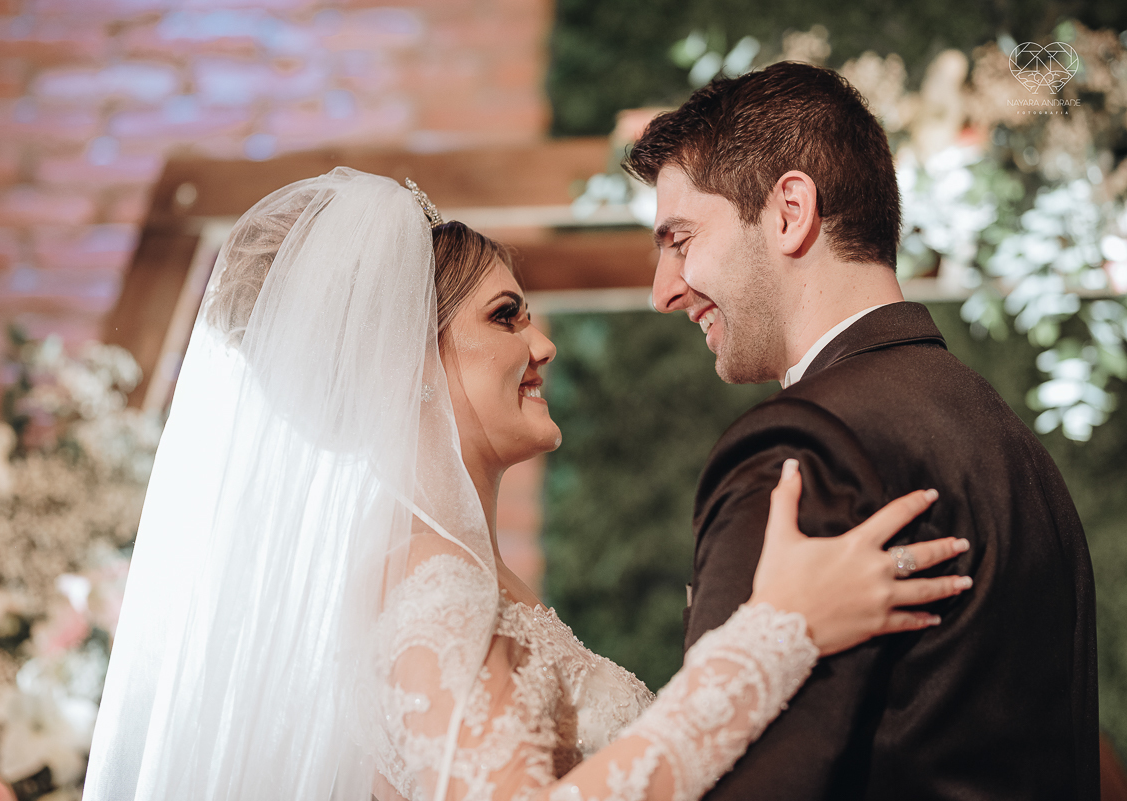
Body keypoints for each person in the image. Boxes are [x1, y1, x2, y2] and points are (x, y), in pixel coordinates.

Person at [83, 167, 970, 801]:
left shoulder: (449, 567)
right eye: (505, 317)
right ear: (404, 362)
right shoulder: (426, 576)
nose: (541, 345)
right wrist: (777, 636)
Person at [624, 61, 1099, 799]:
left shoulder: (804, 450)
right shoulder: (1010, 440)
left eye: (680, 240)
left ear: (790, 211)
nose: (664, 291)